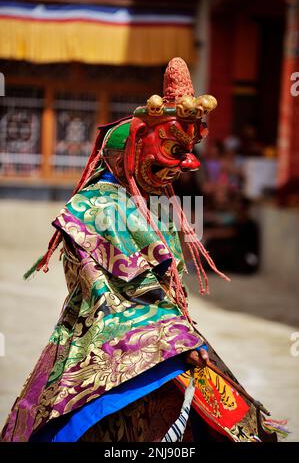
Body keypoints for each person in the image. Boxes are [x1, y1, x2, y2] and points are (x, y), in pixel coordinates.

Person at [1, 58, 287, 443]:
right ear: (128, 153)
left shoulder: (138, 202)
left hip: (165, 340)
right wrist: (176, 343)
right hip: (118, 349)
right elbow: (115, 296)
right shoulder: (102, 206)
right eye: (173, 150)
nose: (186, 163)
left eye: (189, 150)